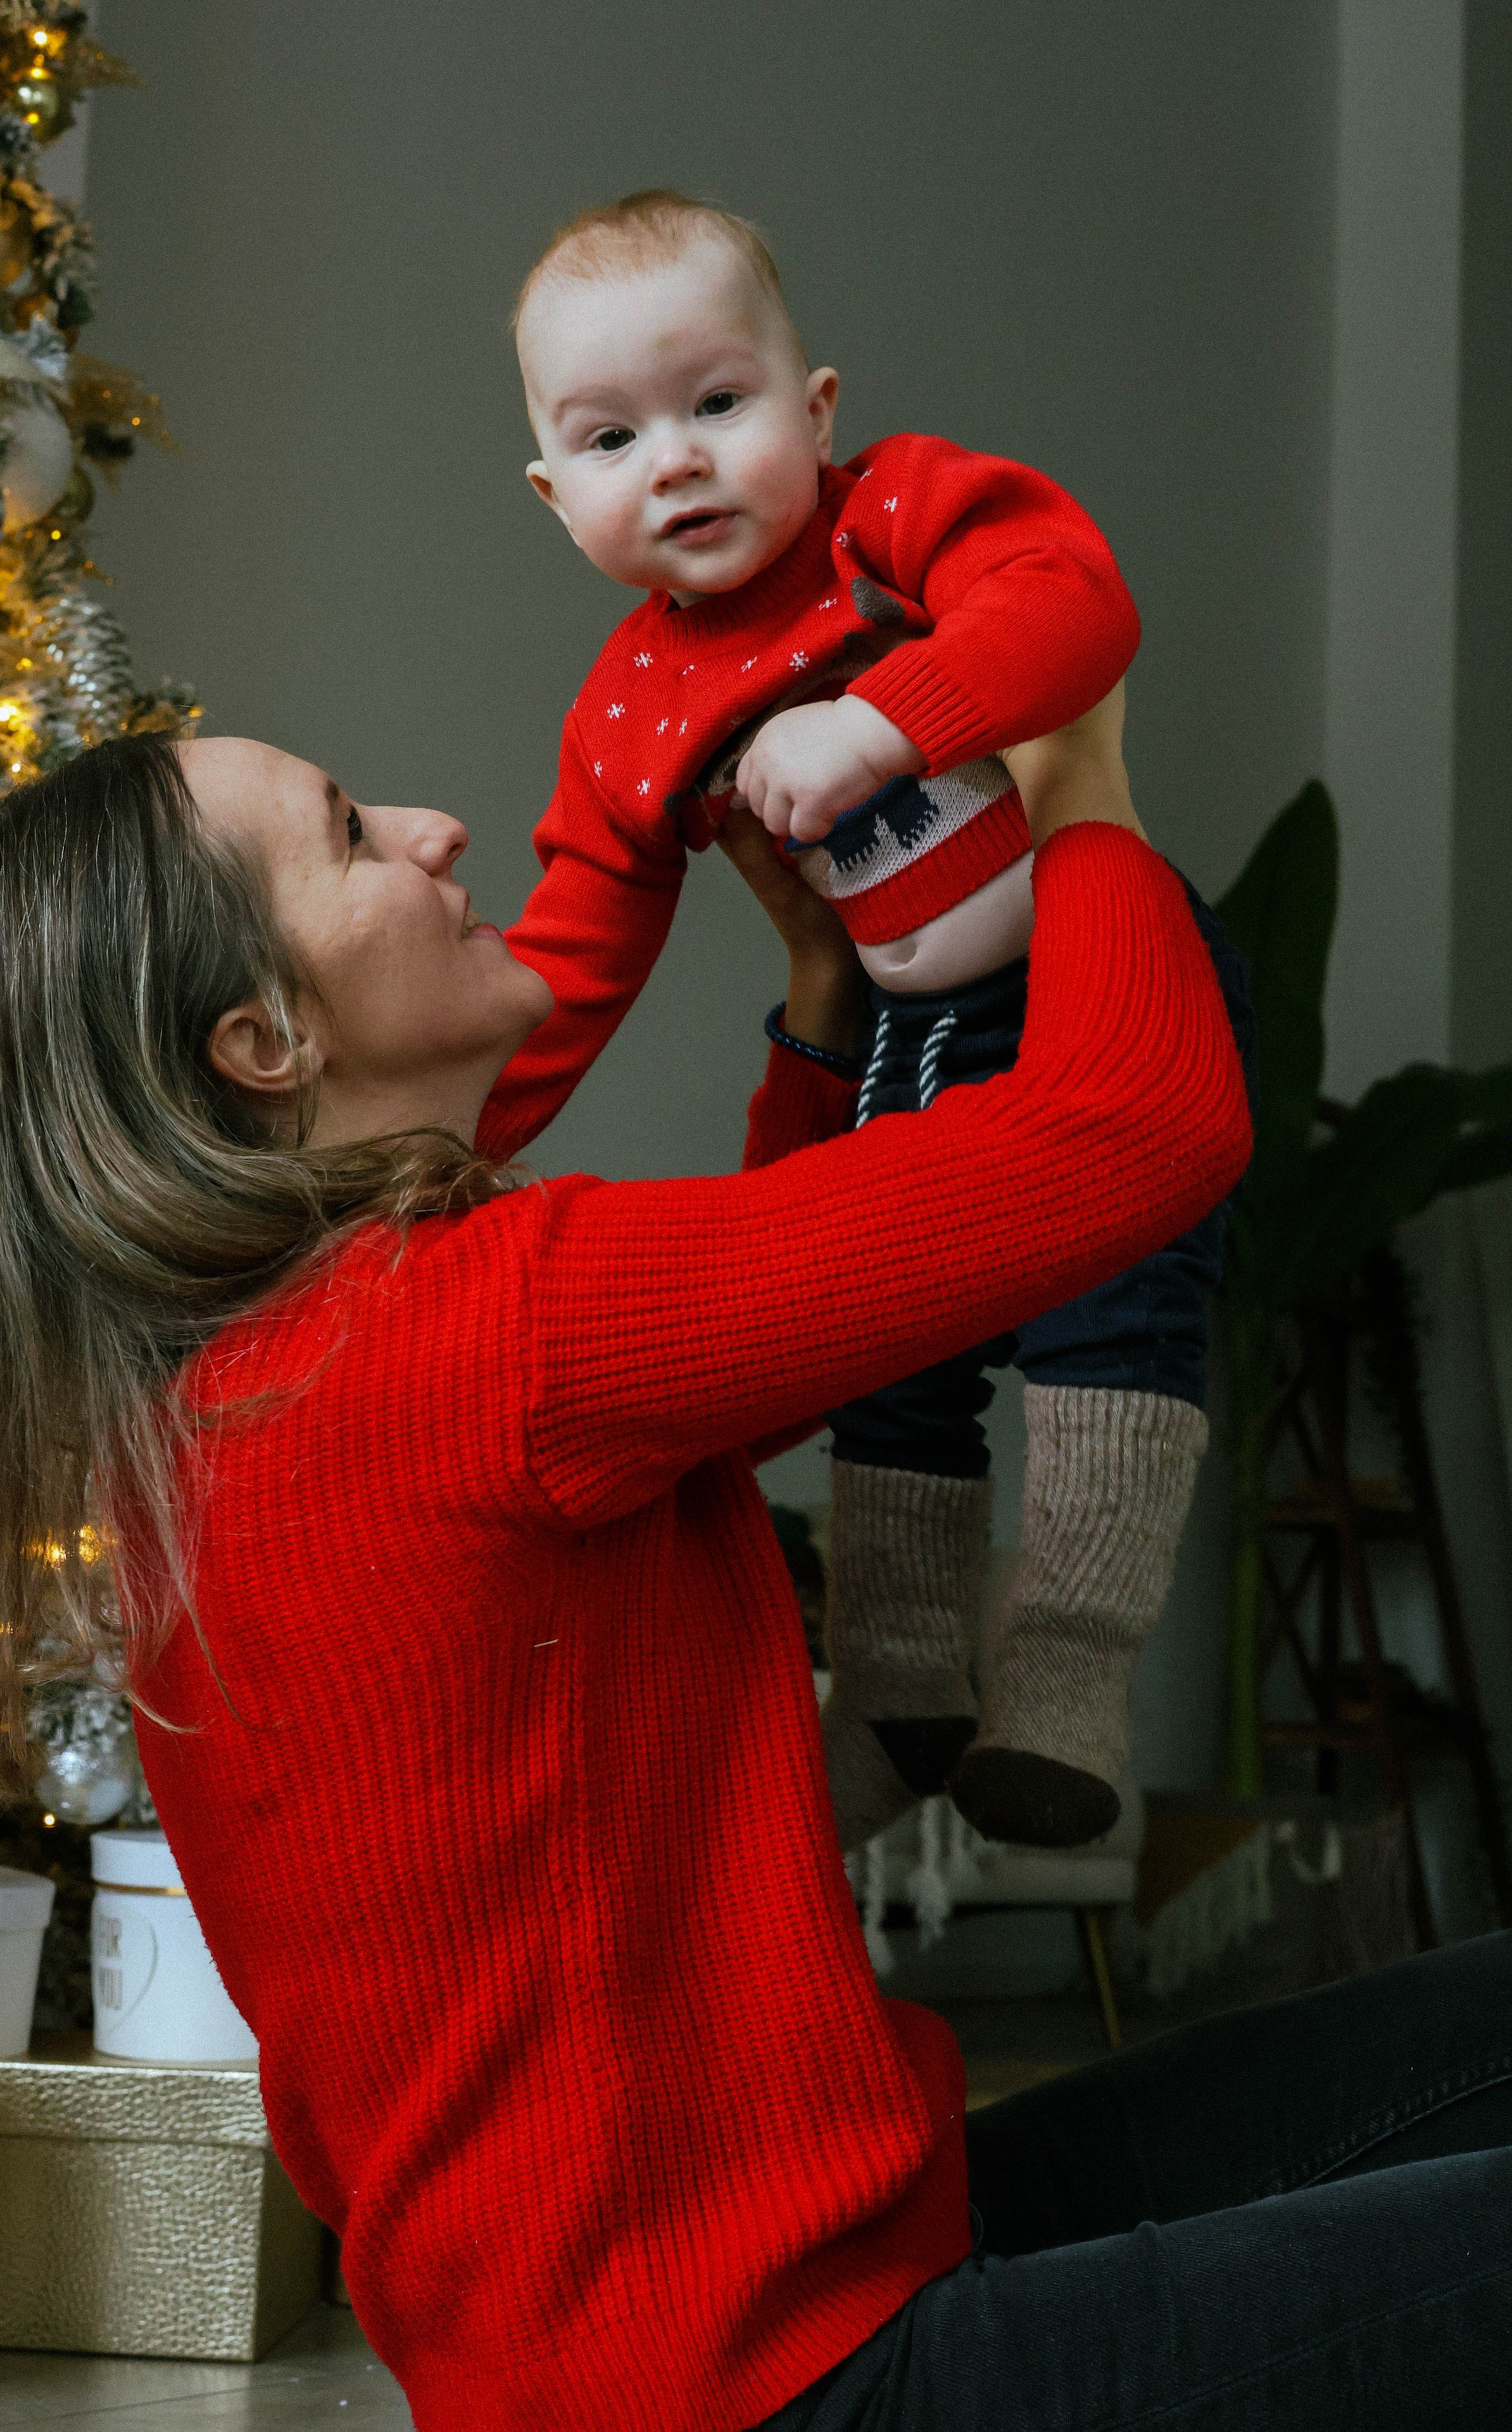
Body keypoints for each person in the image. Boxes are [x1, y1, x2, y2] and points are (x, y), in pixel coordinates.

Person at [0, 723, 1504, 2432]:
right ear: (263, 1040)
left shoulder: (279, 1381)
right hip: (768, 2393)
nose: (439, 828)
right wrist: (1077, 774)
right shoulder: (473, 1336)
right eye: (354, 834)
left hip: (719, 2333)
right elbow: (1143, 1128)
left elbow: (775, 1331)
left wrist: (823, 983)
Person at [513, 186, 1251, 1852]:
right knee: (889, 1338)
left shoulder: (893, 514)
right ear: (559, 500)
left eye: (721, 404)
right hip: (914, 1031)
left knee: (1114, 1308)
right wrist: (427, 1149)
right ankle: (901, 1686)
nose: (681, 459)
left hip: (1091, 976)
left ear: (817, 410)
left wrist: (881, 720)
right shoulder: (631, 704)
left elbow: (1074, 602)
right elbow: (567, 967)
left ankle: (1063, 1680)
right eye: (615, 437)